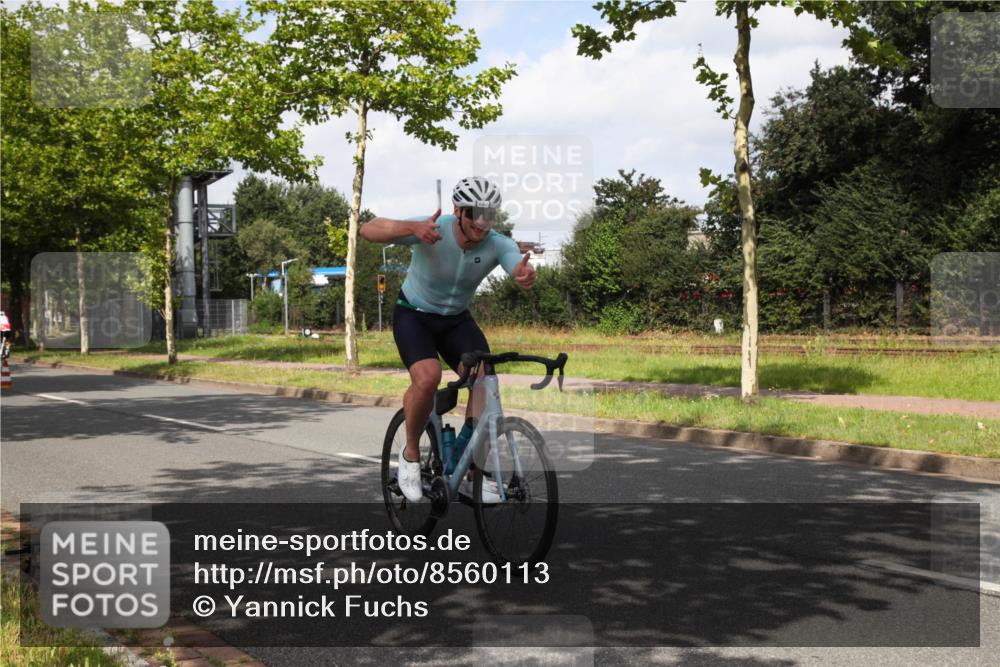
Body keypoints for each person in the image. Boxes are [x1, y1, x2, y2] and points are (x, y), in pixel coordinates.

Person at [359, 176, 535, 503]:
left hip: (456, 320)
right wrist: (411, 230)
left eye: (489, 215)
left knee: (486, 379)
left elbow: (515, 264)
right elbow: (368, 229)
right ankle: (410, 457)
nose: (482, 223)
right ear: (459, 211)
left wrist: (523, 276)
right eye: (475, 214)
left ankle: (470, 472)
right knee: (428, 378)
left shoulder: (498, 243)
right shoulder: (432, 228)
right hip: (414, 314)